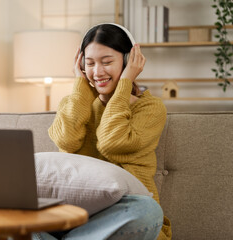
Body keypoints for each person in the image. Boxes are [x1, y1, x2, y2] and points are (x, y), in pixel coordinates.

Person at [38, 23, 172, 240]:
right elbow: (67, 141)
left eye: (107, 62)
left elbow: (112, 142)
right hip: (72, 217)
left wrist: (126, 82)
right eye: (89, 63)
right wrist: (81, 87)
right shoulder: (73, 103)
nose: (97, 72)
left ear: (129, 61)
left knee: (147, 212)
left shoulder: (150, 108)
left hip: (123, 215)